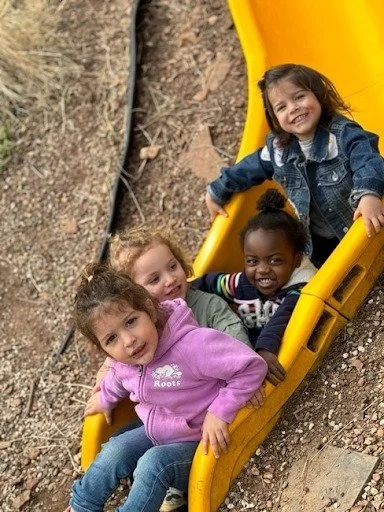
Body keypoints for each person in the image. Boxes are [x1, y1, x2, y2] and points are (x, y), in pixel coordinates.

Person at [65, 263, 268, 512]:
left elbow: (251, 367)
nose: (129, 341)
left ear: (149, 308)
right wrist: (105, 398)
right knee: (115, 449)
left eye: (130, 322)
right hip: (158, 432)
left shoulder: (193, 346)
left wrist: (219, 411)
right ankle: (82, 505)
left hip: (201, 443)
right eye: (112, 339)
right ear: (104, 349)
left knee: (152, 465)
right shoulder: (123, 362)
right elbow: (117, 378)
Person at [205, 63, 384, 267]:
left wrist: (369, 194)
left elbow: (369, 160)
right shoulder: (278, 150)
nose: (293, 108)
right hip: (322, 243)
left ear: (317, 95)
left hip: (363, 225)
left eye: (299, 97)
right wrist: (217, 191)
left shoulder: (342, 134)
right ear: (275, 118)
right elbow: (247, 169)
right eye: (282, 107)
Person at [194, 189, 317, 385]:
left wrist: (264, 349)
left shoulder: (300, 287)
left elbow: (282, 316)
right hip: (244, 346)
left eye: (275, 260)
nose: (262, 270)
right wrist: (186, 290)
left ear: (296, 260)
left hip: (277, 348)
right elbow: (209, 282)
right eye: (252, 261)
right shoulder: (241, 283)